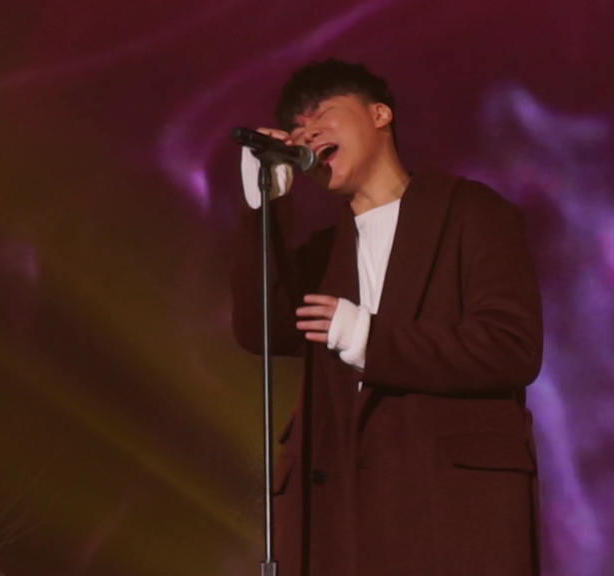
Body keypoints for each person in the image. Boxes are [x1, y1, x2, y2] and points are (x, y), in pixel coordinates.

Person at [231, 58, 543, 576]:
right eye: (297, 129)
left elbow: (511, 347)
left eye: (321, 114)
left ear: (379, 114)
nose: (306, 133)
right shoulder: (323, 254)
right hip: (341, 523)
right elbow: (262, 329)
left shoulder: (472, 211)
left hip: (448, 515)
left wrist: (368, 338)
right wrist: (263, 205)